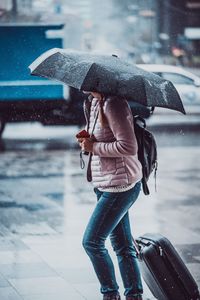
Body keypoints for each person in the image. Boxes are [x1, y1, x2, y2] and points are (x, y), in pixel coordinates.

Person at [77, 91, 144, 300]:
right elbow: (106, 137)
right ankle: (134, 295)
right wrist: (88, 139)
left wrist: (94, 146)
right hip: (107, 183)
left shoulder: (113, 104)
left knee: (92, 242)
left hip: (120, 186)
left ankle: (110, 294)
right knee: (123, 246)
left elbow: (128, 146)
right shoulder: (95, 102)